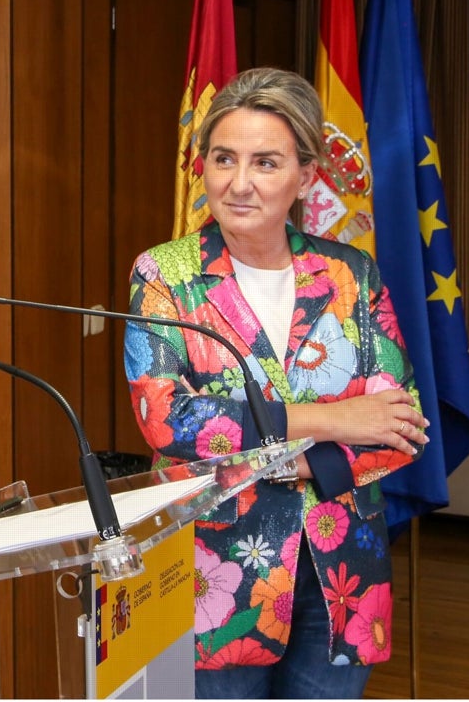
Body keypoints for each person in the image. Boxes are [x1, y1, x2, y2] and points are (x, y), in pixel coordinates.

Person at [124, 67, 429, 699]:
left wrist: (287, 463)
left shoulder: (349, 273)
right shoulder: (165, 274)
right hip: (219, 571)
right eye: (222, 159)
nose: (238, 183)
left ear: (305, 176)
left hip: (344, 565)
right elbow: (171, 420)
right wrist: (331, 419)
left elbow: (401, 422)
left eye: (265, 163)